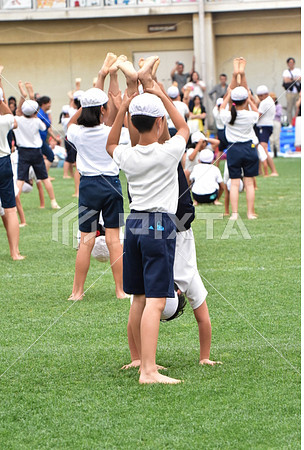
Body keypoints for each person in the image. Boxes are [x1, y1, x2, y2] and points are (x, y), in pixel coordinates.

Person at [106, 56, 189, 384]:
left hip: (135, 225)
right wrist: (159, 93)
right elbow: (182, 127)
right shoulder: (169, 152)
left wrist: (125, 106)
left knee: (139, 298)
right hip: (159, 226)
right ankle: (148, 371)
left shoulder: (127, 155)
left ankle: (139, 360)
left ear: (133, 123)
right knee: (156, 300)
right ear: (158, 124)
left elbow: (111, 142)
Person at [122, 162, 222, 369]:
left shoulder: (167, 283)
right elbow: (203, 320)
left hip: (158, 221)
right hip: (170, 220)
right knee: (154, 163)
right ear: (177, 293)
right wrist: (204, 357)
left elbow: (134, 320)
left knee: (152, 166)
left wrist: (136, 359)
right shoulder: (187, 278)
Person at [67, 86, 126, 301]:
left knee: (86, 240)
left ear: (84, 109)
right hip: (111, 184)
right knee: (114, 240)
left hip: (88, 185)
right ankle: (121, 290)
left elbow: (70, 124)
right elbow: (128, 129)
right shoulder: (112, 131)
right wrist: (120, 108)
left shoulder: (76, 132)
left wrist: (84, 106)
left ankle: (77, 292)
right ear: (103, 109)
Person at [220, 57, 259, 220]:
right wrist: (249, 98)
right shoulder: (250, 115)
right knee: (249, 183)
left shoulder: (228, 116)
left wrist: (229, 94)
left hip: (234, 149)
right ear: (245, 100)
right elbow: (256, 110)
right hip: (249, 148)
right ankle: (250, 213)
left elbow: (222, 106)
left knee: (234, 183)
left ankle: (234, 214)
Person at [14, 99, 60, 211]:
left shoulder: (17, 120)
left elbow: (17, 113)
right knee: (44, 178)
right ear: (35, 113)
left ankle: (15, 203)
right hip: (36, 152)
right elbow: (44, 127)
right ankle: (53, 202)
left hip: (23, 152)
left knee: (20, 179)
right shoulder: (37, 121)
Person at [0, 86, 25, 260]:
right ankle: (15, 253)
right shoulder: (4, 121)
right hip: (3, 162)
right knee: (10, 209)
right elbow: (13, 120)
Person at [255, 85, 278, 176]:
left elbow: (258, 115)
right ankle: (260, 171)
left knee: (263, 149)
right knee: (260, 149)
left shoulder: (265, 102)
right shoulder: (269, 101)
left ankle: (273, 171)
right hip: (265, 126)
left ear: (266, 94)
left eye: (261, 96)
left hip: (264, 126)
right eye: (259, 96)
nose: (260, 98)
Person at [37, 95, 61, 176]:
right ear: (44, 104)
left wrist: (56, 139)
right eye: (49, 103)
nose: (50, 105)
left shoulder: (45, 114)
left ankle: (44, 175)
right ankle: (44, 176)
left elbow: (49, 129)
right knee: (50, 155)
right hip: (38, 140)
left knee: (47, 156)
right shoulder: (39, 114)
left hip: (43, 140)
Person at [282, 57, 301, 125]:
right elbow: (285, 80)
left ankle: (297, 123)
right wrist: (295, 79)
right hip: (289, 93)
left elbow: (300, 78)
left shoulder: (298, 70)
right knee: (289, 108)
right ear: (287, 64)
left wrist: (291, 78)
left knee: (297, 108)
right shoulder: (286, 72)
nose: (291, 64)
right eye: (290, 63)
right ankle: (290, 123)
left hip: (297, 93)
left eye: (292, 62)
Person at [212, 97, 228, 167]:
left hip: (219, 131)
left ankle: (217, 166)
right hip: (225, 131)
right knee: (228, 148)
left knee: (220, 150)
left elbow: (216, 107)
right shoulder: (223, 113)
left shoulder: (215, 111)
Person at [269, 92, 282, 158]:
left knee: (277, 137)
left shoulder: (278, 106)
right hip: (270, 122)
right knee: (271, 138)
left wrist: (274, 113)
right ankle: (272, 152)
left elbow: (279, 113)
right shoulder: (268, 106)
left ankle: (278, 152)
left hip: (276, 122)